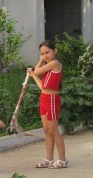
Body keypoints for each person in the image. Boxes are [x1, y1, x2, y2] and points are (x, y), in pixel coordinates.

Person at [27, 40, 68, 169]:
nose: (45, 56)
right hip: (44, 98)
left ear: (55, 51)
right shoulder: (48, 67)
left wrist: (38, 64)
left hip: (51, 100)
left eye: (47, 52)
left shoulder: (55, 64)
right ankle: (49, 158)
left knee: (54, 131)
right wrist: (33, 75)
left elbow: (37, 70)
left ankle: (62, 160)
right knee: (46, 131)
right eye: (42, 53)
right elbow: (42, 86)